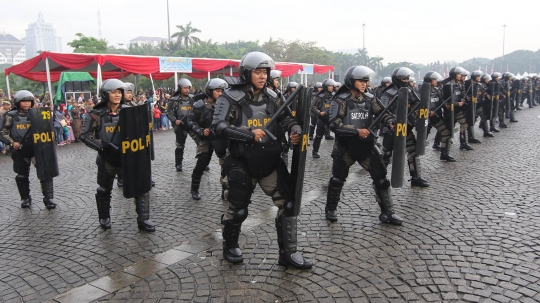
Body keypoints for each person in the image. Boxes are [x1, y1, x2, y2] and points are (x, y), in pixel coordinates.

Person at [212, 51, 312, 269]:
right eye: (257, 71)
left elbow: (286, 119)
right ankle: (230, 245)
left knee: (288, 204)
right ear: (247, 73)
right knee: (238, 210)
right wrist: (249, 133)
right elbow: (218, 126)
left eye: (265, 72)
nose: (262, 76)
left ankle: (288, 252)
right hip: (241, 162)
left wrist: (295, 130)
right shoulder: (228, 97)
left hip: (270, 160)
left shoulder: (274, 96)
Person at [324, 65, 403, 225]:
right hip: (345, 146)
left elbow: (383, 113)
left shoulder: (370, 98)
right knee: (337, 180)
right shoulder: (341, 100)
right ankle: (330, 209)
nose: (364, 84)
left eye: (366, 81)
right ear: (352, 81)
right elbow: (334, 124)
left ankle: (388, 213)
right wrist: (356, 131)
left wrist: (391, 122)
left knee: (381, 178)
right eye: (361, 80)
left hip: (366, 145)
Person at [80, 79, 155, 232]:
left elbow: (143, 131)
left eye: (119, 92)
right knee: (104, 188)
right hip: (107, 157)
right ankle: (104, 217)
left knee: (141, 186)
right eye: (113, 92)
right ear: (105, 94)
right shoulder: (95, 114)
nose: (117, 95)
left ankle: (143, 219)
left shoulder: (130, 110)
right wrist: (102, 147)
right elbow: (85, 136)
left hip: (129, 155)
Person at [0, 90, 57, 209]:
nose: (26, 104)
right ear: (17, 102)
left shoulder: (38, 113)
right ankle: (25, 198)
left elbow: (48, 128)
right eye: (23, 101)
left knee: (46, 173)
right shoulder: (10, 116)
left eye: (28, 101)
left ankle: (48, 198)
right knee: (22, 175)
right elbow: (2, 132)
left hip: (37, 149)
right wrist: (11, 142)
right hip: (20, 149)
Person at [380, 67, 429, 187]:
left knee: (412, 151)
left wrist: (414, 113)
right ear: (397, 79)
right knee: (386, 154)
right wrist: (393, 120)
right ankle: (379, 178)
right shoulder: (388, 93)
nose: (406, 81)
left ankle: (415, 177)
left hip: (405, 128)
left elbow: (417, 103)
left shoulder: (409, 91)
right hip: (391, 129)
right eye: (403, 79)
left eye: (407, 78)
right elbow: (383, 111)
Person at [187, 78, 228, 200]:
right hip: (205, 139)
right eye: (217, 91)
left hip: (220, 138)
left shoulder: (225, 104)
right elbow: (190, 121)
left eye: (222, 91)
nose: (220, 93)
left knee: (225, 165)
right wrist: (200, 131)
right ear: (210, 91)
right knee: (201, 164)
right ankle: (194, 189)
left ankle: (225, 191)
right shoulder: (199, 105)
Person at [167, 79, 197, 172]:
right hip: (180, 126)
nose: (187, 90)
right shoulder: (174, 100)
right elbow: (167, 112)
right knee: (180, 146)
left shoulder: (192, 98)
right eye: (184, 88)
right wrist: (175, 121)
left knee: (201, 143)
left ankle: (203, 162)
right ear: (180, 88)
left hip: (192, 125)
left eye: (188, 88)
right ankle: (178, 164)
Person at [425, 72, 456, 162]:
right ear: (429, 81)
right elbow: (418, 104)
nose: (436, 82)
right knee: (421, 140)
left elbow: (441, 100)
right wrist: (428, 111)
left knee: (446, 133)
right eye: (434, 80)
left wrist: (445, 105)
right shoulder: (422, 91)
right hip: (425, 119)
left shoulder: (437, 90)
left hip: (436, 117)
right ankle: (414, 157)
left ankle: (444, 154)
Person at [311, 78, 336, 158]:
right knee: (318, 136)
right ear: (325, 87)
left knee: (339, 135)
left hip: (332, 119)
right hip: (322, 119)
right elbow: (312, 107)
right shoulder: (319, 97)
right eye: (329, 86)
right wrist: (319, 112)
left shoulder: (334, 95)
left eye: (332, 86)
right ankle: (315, 151)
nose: (331, 87)